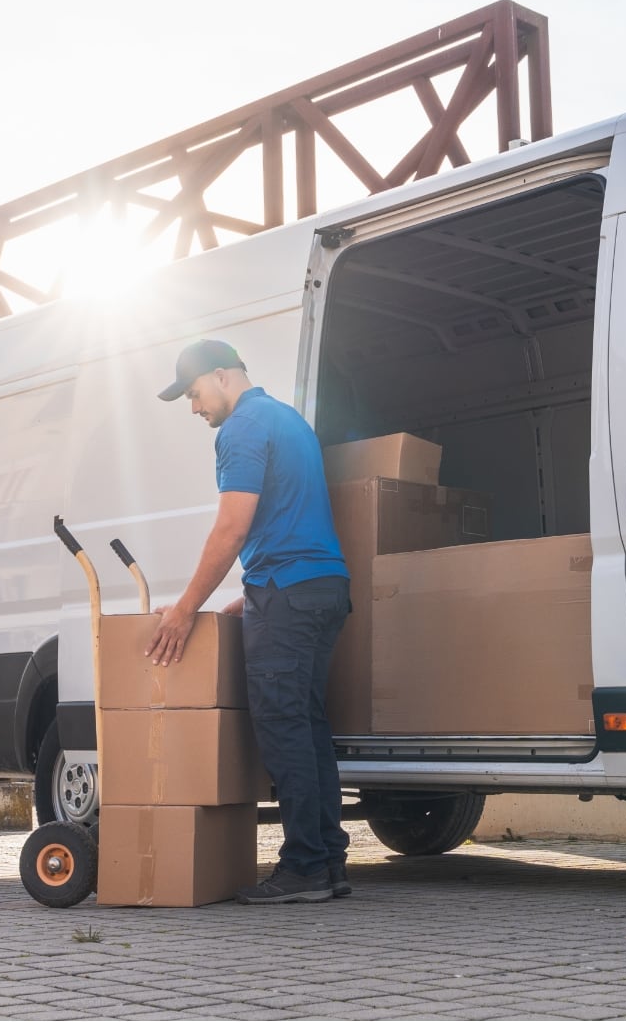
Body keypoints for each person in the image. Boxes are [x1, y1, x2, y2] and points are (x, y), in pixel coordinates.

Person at [145, 338, 353, 905]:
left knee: (283, 728)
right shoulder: (289, 420)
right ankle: (329, 862)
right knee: (308, 727)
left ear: (222, 376)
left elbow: (232, 528)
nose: (194, 408)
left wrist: (184, 610)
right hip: (323, 587)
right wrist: (250, 598)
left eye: (194, 394)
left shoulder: (239, 429)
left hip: (289, 593)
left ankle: (305, 867)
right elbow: (290, 522)